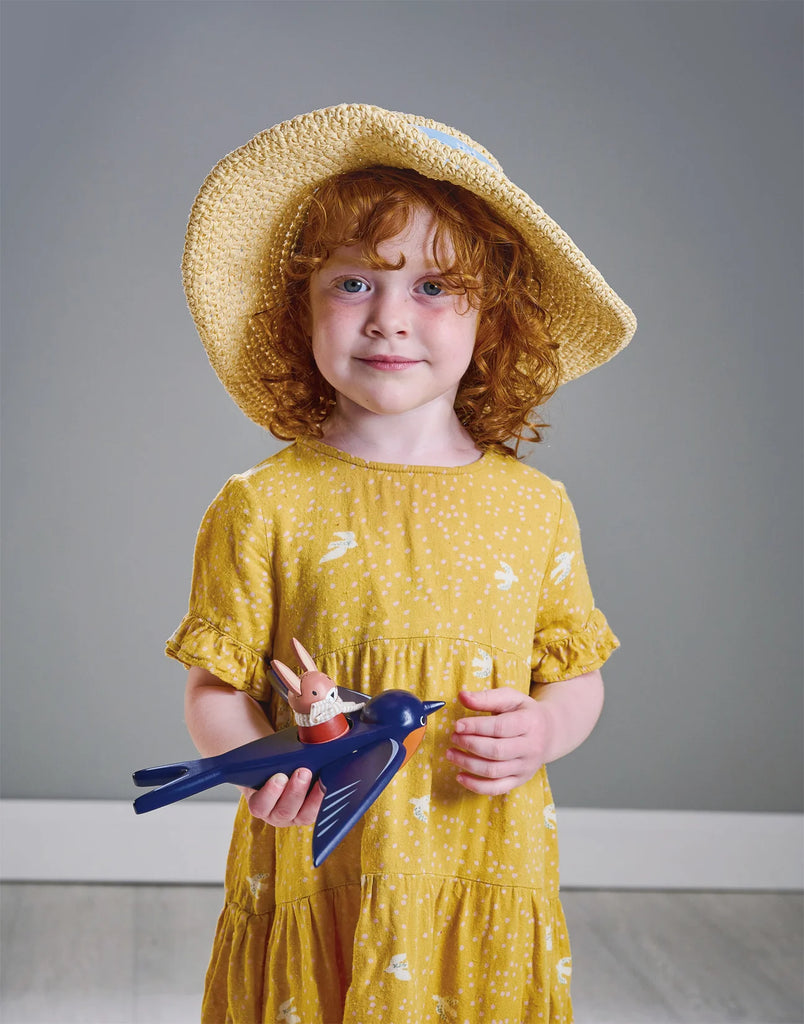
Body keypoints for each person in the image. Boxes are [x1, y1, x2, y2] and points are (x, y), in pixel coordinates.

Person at [169, 104, 636, 1023]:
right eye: (352, 284)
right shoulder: (263, 503)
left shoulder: (534, 508)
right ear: (297, 309)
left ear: (491, 319)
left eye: (432, 288)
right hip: (323, 862)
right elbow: (213, 688)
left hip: (481, 862)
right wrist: (258, 767)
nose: (388, 318)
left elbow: (575, 677)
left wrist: (543, 732)